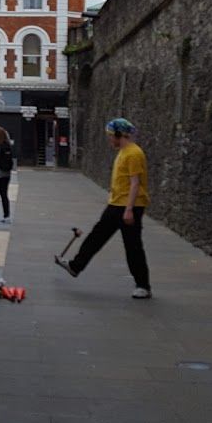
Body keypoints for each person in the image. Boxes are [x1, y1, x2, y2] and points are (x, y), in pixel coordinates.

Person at [56, 118, 152, 299]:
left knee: (133, 246)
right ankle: (76, 266)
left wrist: (129, 210)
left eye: (111, 136)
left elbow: (135, 183)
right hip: (116, 204)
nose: (109, 139)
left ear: (119, 134)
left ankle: (143, 286)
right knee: (96, 236)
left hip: (129, 206)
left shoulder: (134, 154)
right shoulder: (123, 152)